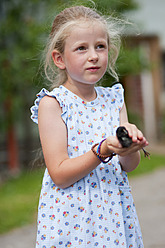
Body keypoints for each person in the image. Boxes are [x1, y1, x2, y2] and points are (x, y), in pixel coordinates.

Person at [31, 5, 148, 248]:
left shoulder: (114, 99)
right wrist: (103, 150)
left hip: (113, 215)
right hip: (72, 219)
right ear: (59, 59)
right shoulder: (53, 104)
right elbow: (60, 175)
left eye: (100, 46)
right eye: (81, 48)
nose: (93, 55)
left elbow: (129, 166)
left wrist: (130, 147)